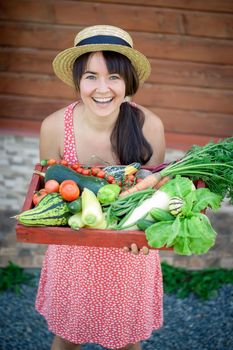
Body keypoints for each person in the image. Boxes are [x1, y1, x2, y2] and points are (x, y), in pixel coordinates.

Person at [36, 25, 165, 350]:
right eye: (91, 76)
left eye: (114, 77)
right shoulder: (53, 127)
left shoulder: (149, 125)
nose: (102, 88)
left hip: (128, 256)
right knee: (66, 339)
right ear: (78, 80)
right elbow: (48, 191)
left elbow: (154, 195)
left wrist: (146, 239)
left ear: (128, 82)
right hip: (73, 253)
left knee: (126, 343)